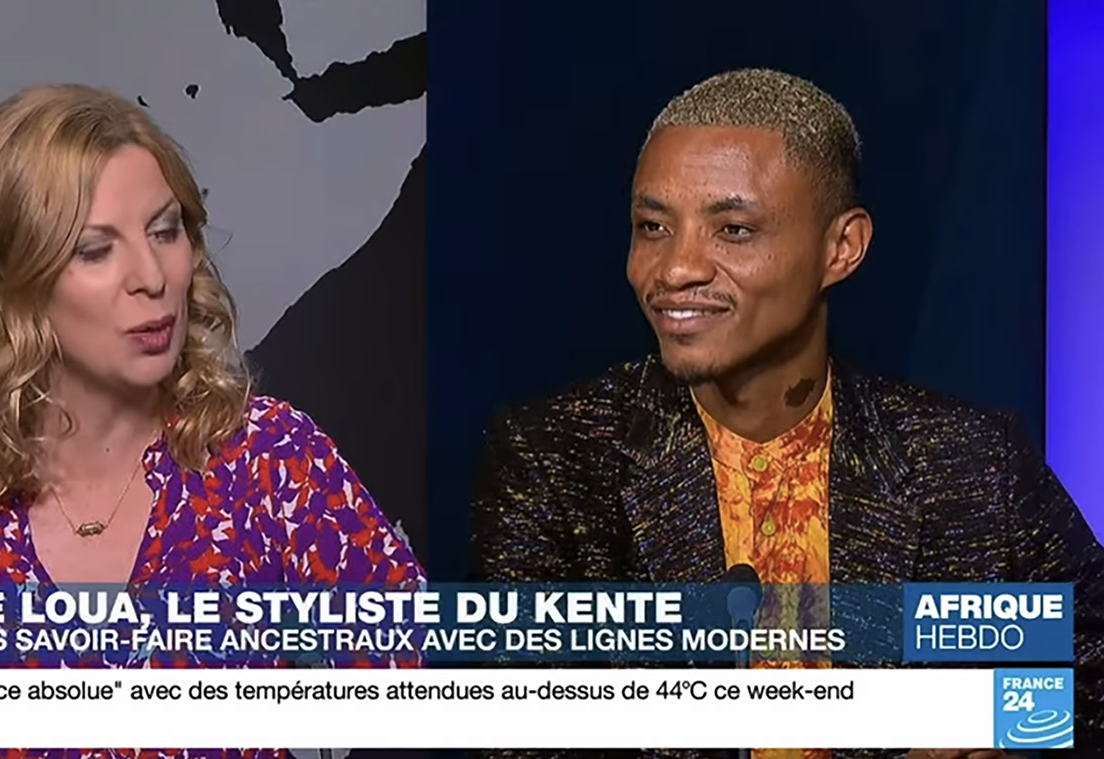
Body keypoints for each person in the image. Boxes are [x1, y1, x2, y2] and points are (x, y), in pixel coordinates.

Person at [0, 84, 423, 758]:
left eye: (164, 231)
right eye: (95, 249)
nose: (151, 276)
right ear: (11, 283)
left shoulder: (271, 460)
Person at [469, 69, 1103, 759]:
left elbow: (1090, 679)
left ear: (841, 248)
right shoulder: (554, 459)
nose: (674, 269)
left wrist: (1006, 729)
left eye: (733, 230)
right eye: (653, 227)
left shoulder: (971, 461)